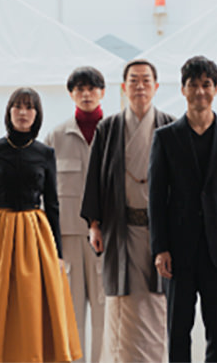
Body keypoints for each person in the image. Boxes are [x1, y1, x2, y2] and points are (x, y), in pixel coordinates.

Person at [149, 56, 217, 362]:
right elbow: (156, 197)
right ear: (183, 89)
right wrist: (160, 248)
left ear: (216, 89)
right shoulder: (165, 137)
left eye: (206, 84)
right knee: (178, 330)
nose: (200, 91)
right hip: (178, 251)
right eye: (193, 85)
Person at [80, 59, 175, 362]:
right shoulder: (108, 128)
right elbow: (95, 178)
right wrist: (94, 224)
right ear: (124, 87)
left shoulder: (170, 126)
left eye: (146, 80)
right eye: (133, 80)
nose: (140, 86)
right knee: (121, 305)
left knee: (156, 305)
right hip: (120, 230)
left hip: (159, 233)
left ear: (156, 86)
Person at [0, 87, 81, 363]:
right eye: (18, 106)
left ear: (37, 115)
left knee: (32, 300)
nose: (23, 112)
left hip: (36, 233)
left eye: (29, 107)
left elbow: (53, 204)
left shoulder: (45, 153)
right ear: (9, 111)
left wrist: (58, 252)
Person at [43, 67, 106, 362]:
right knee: (71, 311)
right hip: (67, 237)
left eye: (92, 88)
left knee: (105, 311)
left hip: (106, 236)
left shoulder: (114, 132)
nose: (86, 94)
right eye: (79, 89)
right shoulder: (55, 136)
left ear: (102, 92)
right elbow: (44, 191)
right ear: (71, 94)